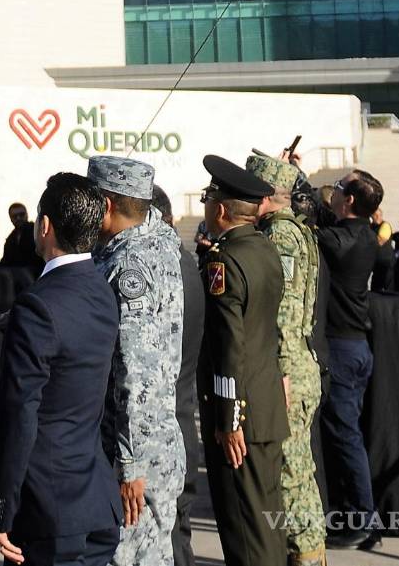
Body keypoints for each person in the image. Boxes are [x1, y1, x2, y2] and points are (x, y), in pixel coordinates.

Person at [0, 172, 122, 566]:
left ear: (44, 226)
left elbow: (19, 415)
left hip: (49, 511)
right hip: (96, 500)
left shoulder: (37, 306)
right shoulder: (101, 290)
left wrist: (1, 510)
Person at [87, 155, 184, 566]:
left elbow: (137, 372)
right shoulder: (154, 240)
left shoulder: (130, 265)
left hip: (138, 450)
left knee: (130, 558)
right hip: (151, 443)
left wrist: (130, 464)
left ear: (107, 205)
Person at [196, 154, 288, 566]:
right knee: (266, 524)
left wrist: (229, 418)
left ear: (220, 210)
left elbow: (229, 346)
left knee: (245, 532)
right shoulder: (265, 249)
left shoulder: (224, 260)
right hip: (265, 404)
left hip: (241, 416)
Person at [249, 149, 326, 566]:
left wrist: (278, 371)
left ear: (264, 196)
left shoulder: (280, 236)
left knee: (292, 473)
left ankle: (307, 556)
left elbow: (284, 308)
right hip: (297, 363)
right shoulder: (290, 229)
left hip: (289, 369)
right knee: (297, 468)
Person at [314, 168, 383, 549]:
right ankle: (350, 513)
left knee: (346, 437)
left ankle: (363, 520)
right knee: (343, 436)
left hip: (342, 349)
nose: (334, 192)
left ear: (350, 200)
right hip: (353, 346)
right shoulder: (364, 234)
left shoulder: (341, 240)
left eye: (339, 188)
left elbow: (314, 228)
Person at [152, 185, 202, 566]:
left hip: (162, 434)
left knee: (166, 537)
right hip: (181, 423)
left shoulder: (160, 270)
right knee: (177, 534)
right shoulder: (185, 261)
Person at [0, 202, 44, 277]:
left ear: (27, 214)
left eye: (21, 214)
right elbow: (6, 260)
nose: (18, 218)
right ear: (10, 218)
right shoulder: (11, 239)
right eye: (15, 216)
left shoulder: (37, 231)